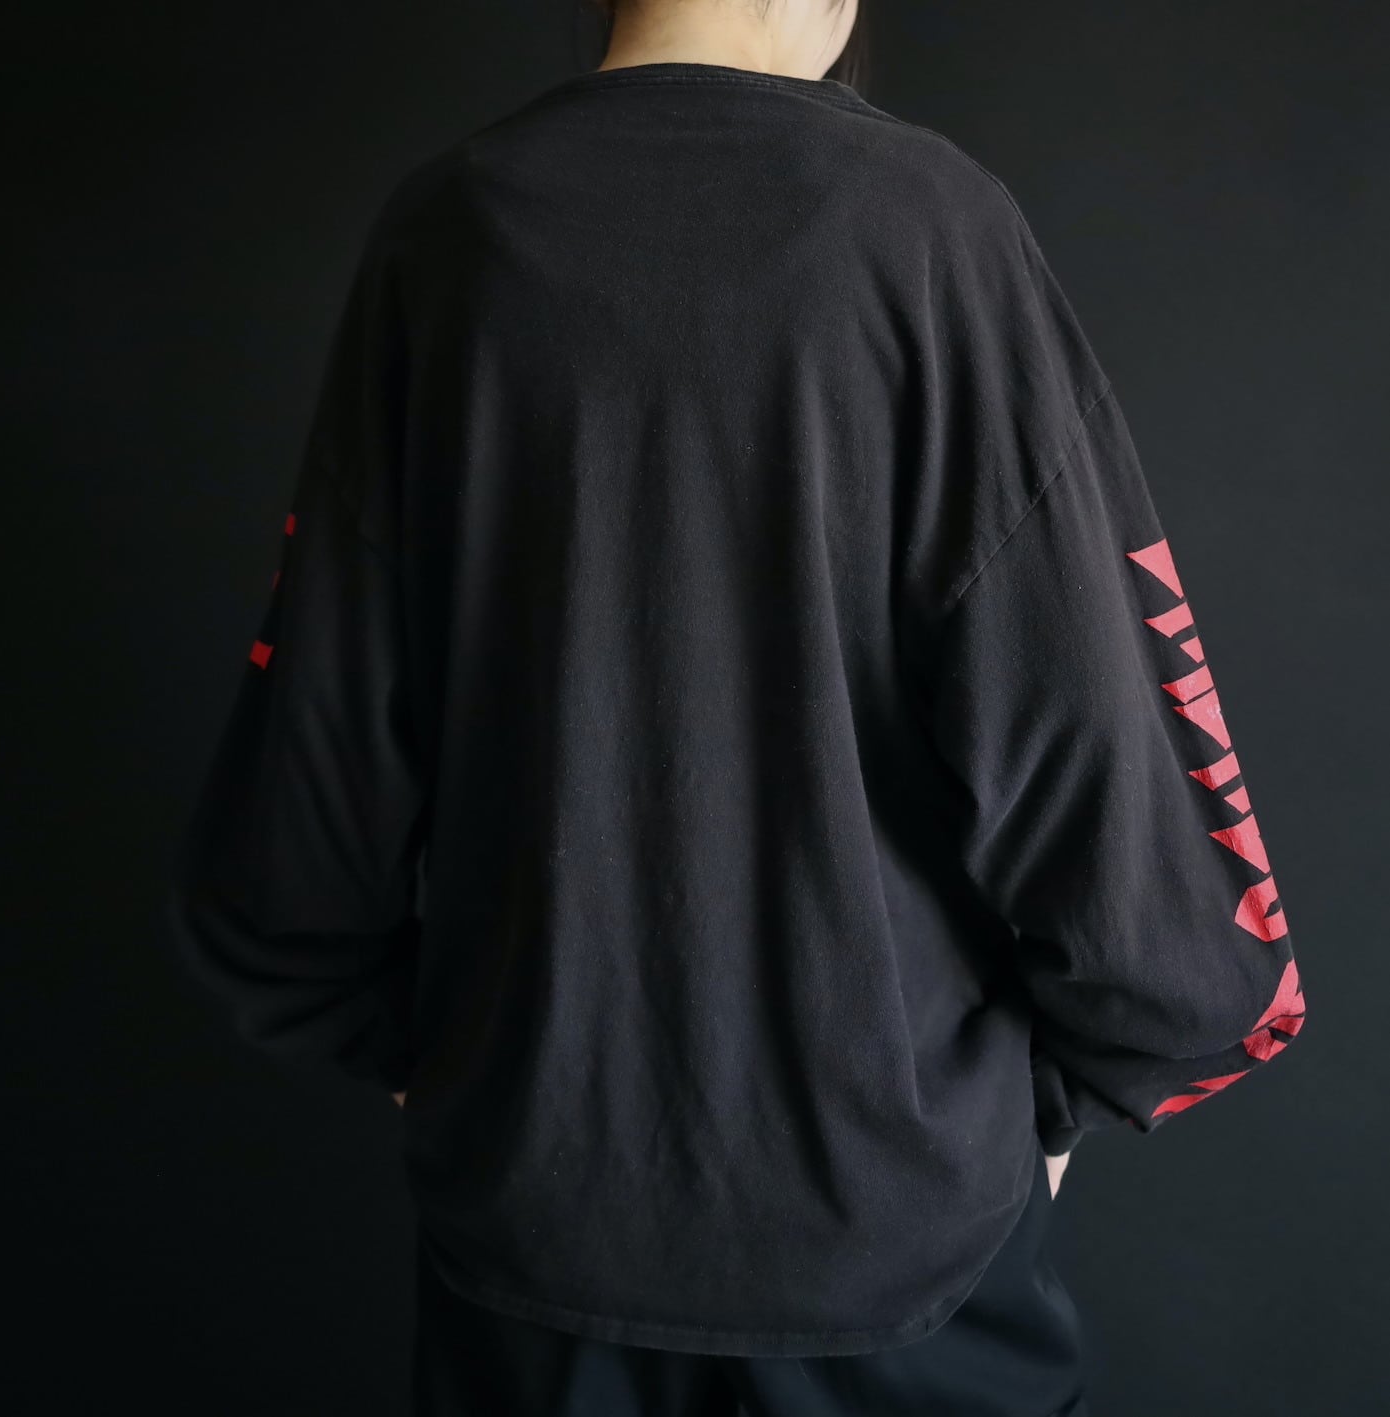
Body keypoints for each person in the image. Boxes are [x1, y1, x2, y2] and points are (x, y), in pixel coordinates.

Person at [163, 0, 1308, 1412]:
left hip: (532, 1237)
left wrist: (422, 1051)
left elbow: (303, 817)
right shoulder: (926, 227)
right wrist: (1096, 1077)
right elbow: (1094, 746)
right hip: (898, 1245)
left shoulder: (446, 236)